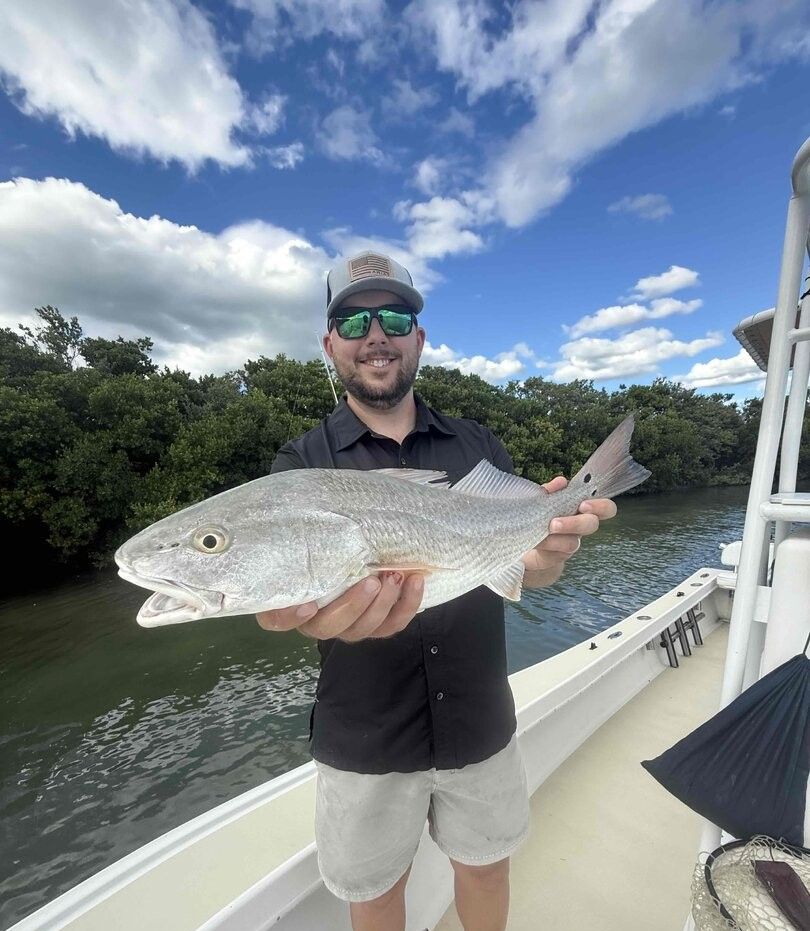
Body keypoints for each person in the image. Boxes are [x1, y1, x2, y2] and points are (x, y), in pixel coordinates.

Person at [256, 251, 617, 931]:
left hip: (480, 718)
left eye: (394, 316)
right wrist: (309, 616)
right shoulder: (300, 465)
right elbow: (290, 602)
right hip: (364, 735)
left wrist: (548, 549)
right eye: (353, 319)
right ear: (330, 342)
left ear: (418, 337)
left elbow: (525, 567)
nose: (376, 334)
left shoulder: (478, 444)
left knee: (486, 867)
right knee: (375, 891)